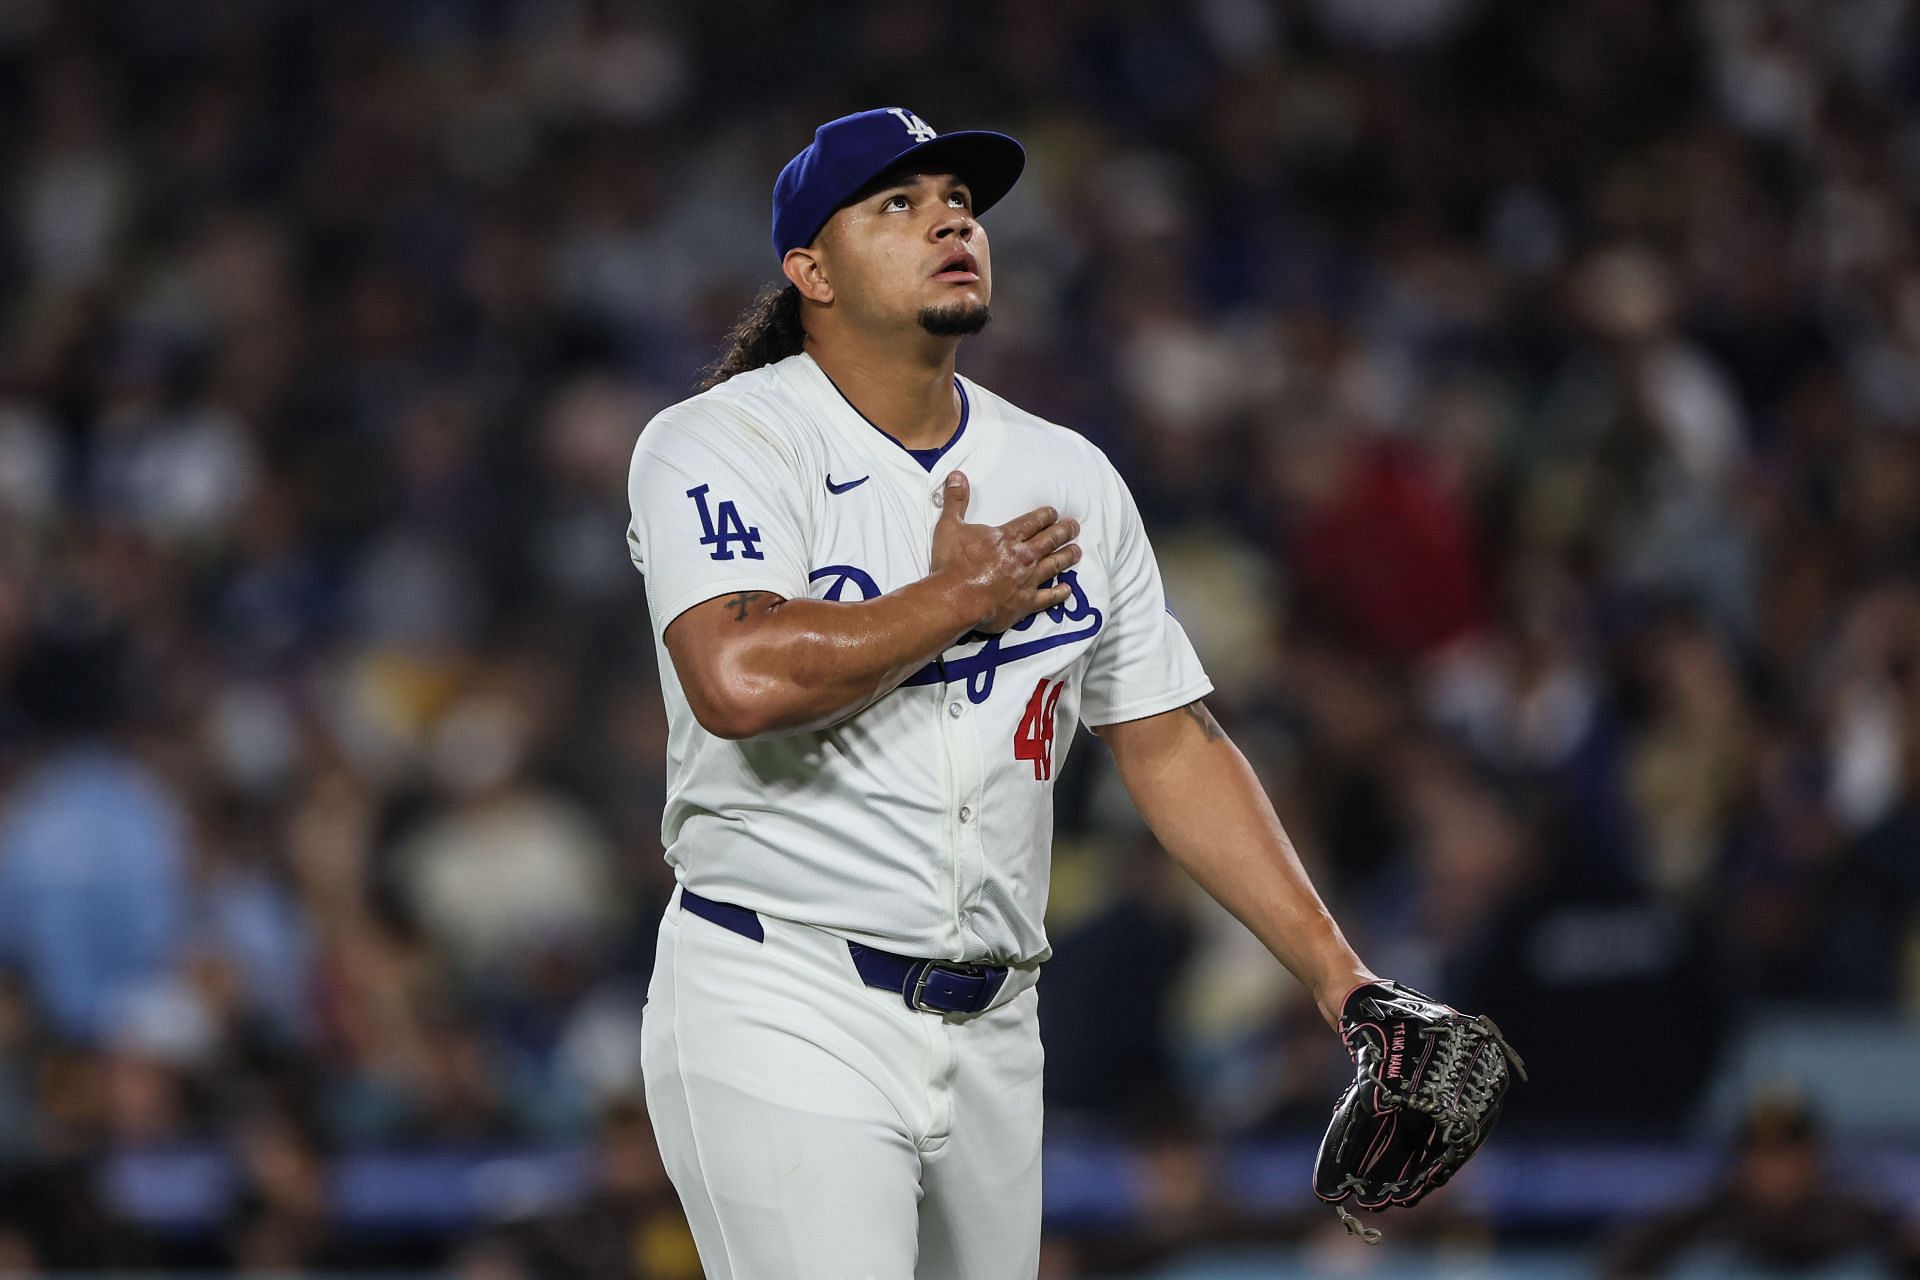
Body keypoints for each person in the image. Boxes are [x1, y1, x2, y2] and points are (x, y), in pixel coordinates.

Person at [624, 106, 1379, 1279]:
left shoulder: (1066, 472)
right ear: (809, 270)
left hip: (994, 1024)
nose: (949, 219)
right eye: (899, 203)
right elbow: (737, 676)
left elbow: (1168, 740)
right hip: (783, 988)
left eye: (961, 202)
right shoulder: (721, 442)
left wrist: (1341, 976)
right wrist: (952, 599)